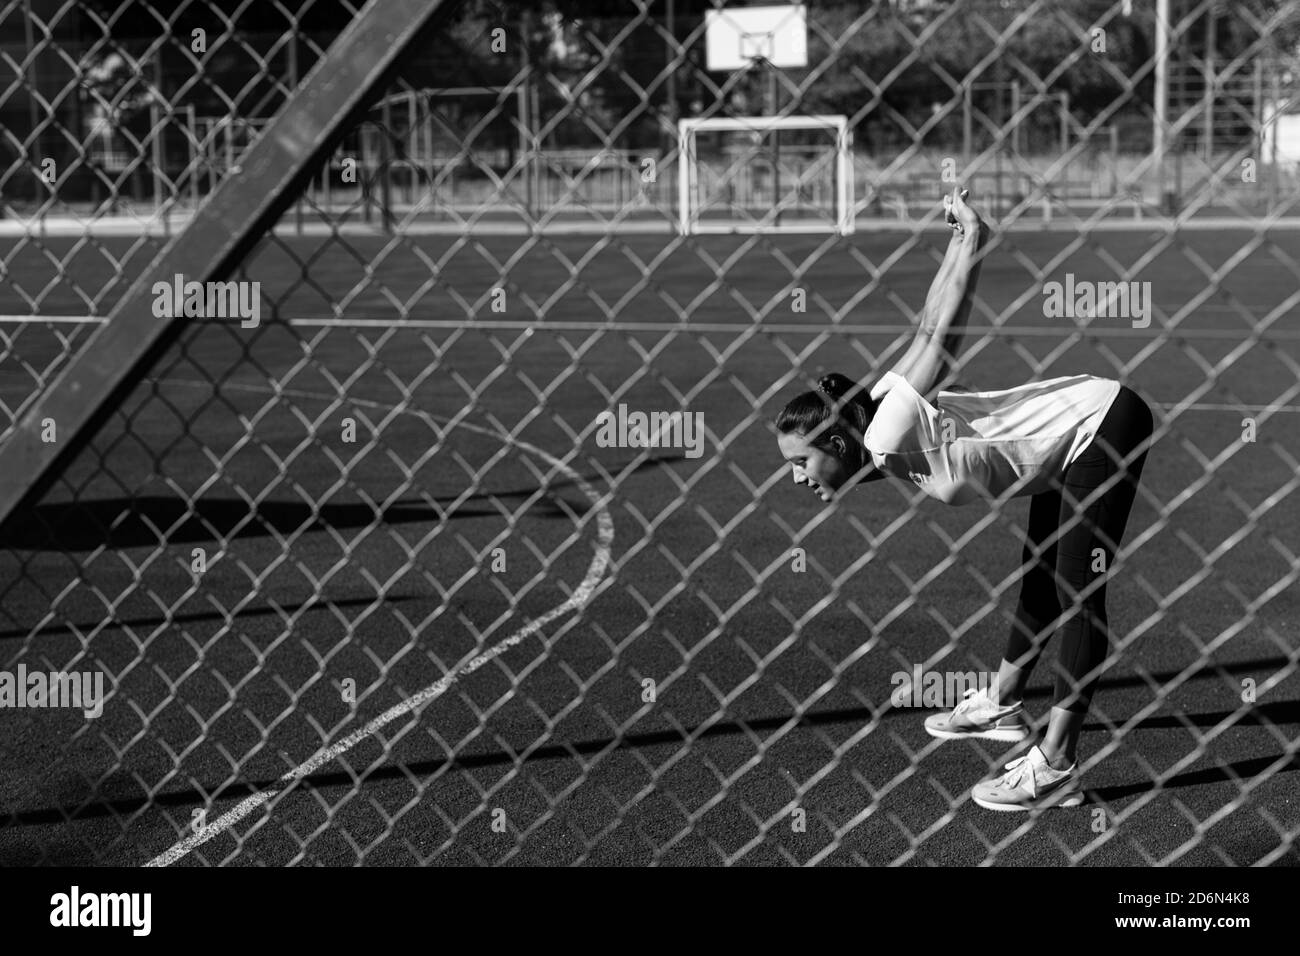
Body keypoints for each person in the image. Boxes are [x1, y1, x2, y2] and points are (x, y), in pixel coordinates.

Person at [774, 187, 1155, 811]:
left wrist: (973, 242)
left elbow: (938, 335)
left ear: (837, 441)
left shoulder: (887, 426)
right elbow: (923, 325)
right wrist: (958, 240)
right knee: (1038, 576)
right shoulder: (873, 426)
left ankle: (1057, 762)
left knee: (1076, 590)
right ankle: (1003, 704)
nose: (796, 477)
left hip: (1102, 424)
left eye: (801, 461)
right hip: (1059, 447)